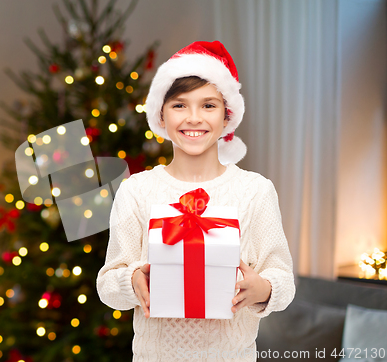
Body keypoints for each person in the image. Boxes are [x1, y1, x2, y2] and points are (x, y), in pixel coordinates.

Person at [96, 40, 295, 362]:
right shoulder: (137, 190)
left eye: (208, 105)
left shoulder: (255, 191)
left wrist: (263, 290)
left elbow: (283, 280)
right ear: (160, 115)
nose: (193, 118)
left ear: (227, 115)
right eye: (179, 105)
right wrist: (132, 279)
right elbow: (107, 285)